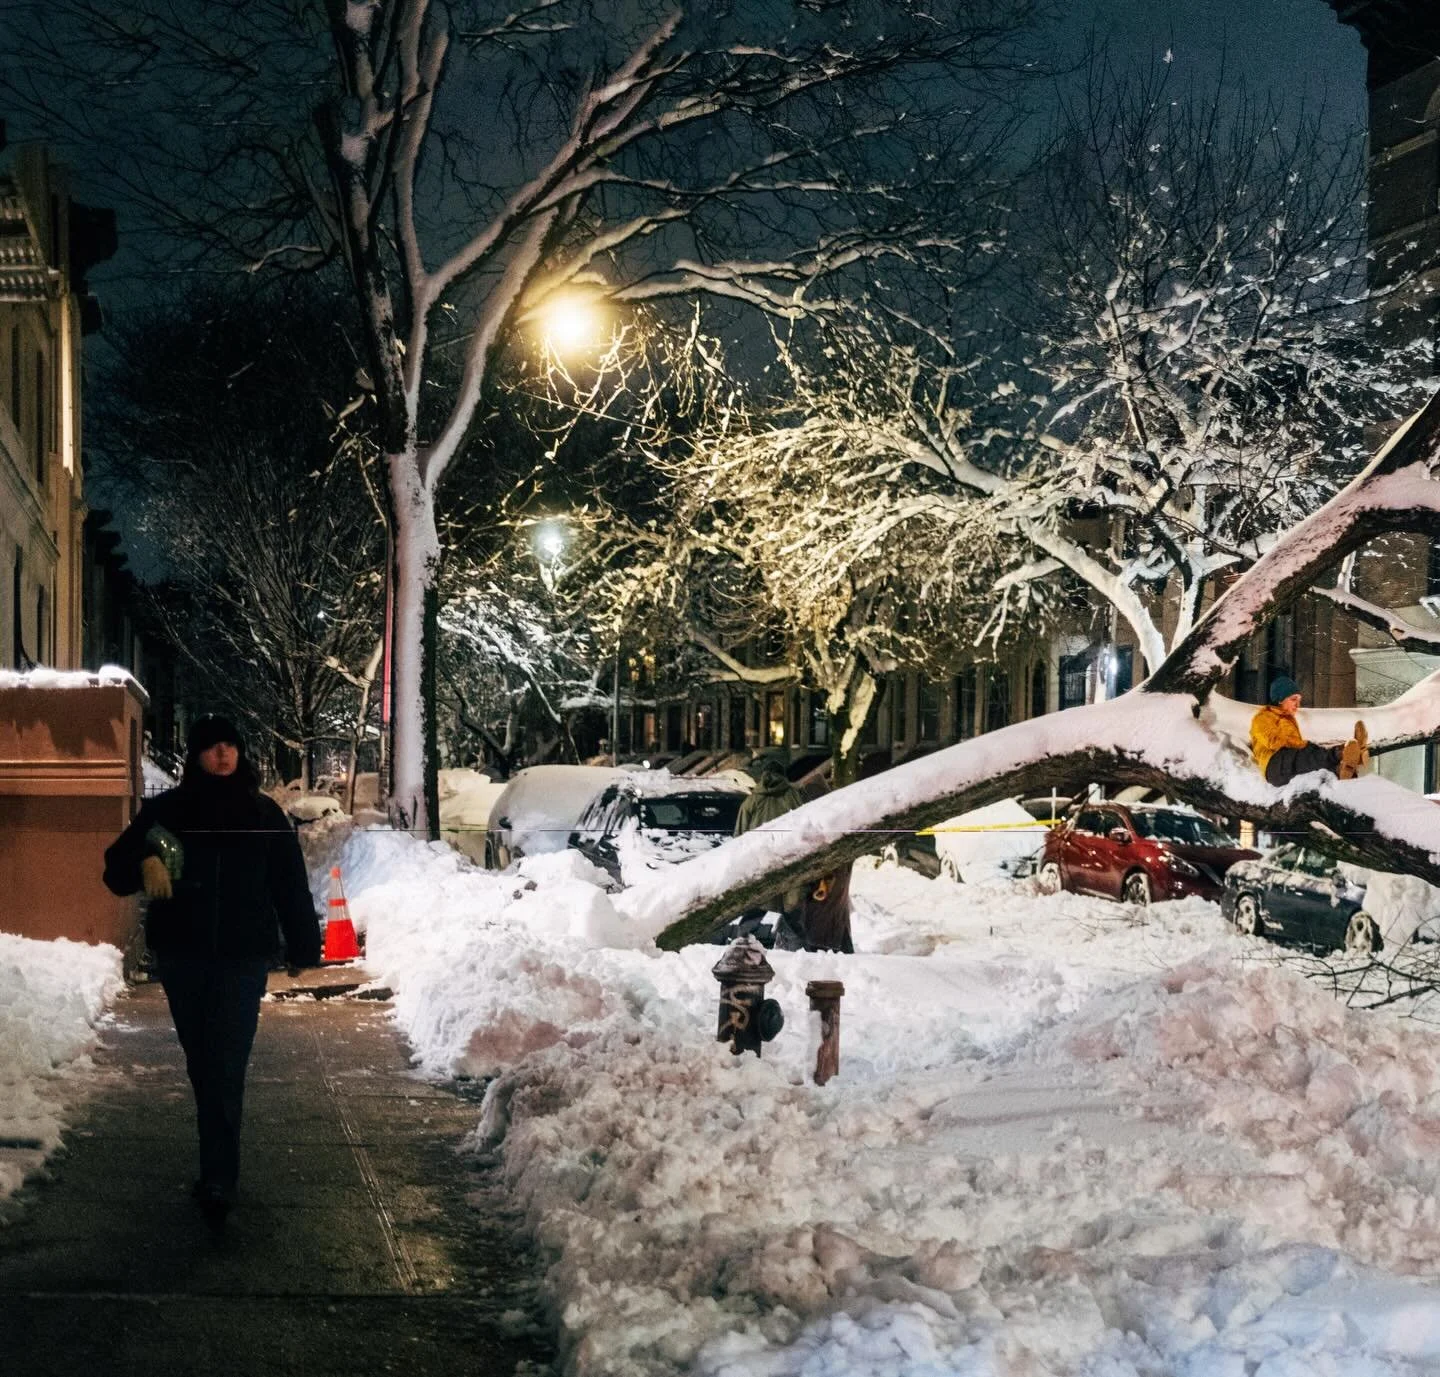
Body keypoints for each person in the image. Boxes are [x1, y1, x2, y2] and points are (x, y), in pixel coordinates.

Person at [104, 715, 321, 1229]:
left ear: (240, 753)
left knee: (225, 1062)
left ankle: (219, 1177)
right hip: (184, 954)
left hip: (244, 957)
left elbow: (289, 882)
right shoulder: (168, 811)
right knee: (203, 1062)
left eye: (230, 745)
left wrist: (303, 946)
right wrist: (145, 862)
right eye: (212, 746)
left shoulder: (263, 813)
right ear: (196, 755)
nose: (222, 753)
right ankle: (215, 1165)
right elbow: (114, 869)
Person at [1249, 676, 1368, 786]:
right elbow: (1272, 741)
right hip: (1273, 766)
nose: (1298, 704)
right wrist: (1302, 745)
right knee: (1307, 754)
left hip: (1286, 765)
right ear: (1280, 699)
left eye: (1299, 700)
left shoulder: (1289, 719)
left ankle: (1342, 767)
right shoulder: (1263, 717)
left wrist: (1304, 746)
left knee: (1313, 757)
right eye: (1293, 699)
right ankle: (1344, 752)